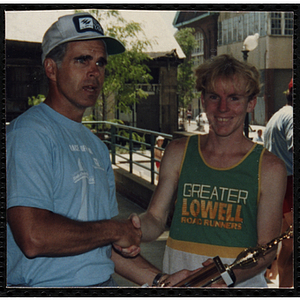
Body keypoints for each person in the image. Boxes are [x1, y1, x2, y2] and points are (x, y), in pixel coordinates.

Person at [6, 12, 196, 288]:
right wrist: (115, 230)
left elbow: (101, 243)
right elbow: (34, 237)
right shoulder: (30, 134)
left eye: (101, 62)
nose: (95, 71)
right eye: (82, 60)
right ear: (51, 68)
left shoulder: (95, 146)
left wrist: (162, 282)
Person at [117, 55, 287, 288]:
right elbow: (155, 218)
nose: (223, 108)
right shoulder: (178, 151)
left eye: (234, 98)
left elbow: (266, 249)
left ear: (251, 103)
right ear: (203, 100)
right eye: (214, 97)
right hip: (178, 281)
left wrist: (226, 277)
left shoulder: (270, 167)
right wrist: (134, 230)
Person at [264, 78, 293, 287]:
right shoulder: (291, 116)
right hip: (290, 185)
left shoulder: (277, 116)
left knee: (289, 244)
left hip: (278, 186)